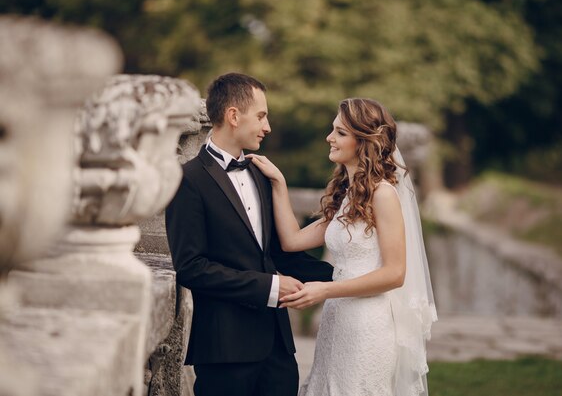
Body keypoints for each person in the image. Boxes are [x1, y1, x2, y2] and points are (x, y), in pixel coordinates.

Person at [249, 97, 438, 396]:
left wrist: (324, 290)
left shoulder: (383, 195)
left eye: (340, 132)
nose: (329, 138)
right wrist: (279, 184)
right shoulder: (350, 195)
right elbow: (292, 241)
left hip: (368, 325)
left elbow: (394, 274)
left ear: (364, 142)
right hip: (338, 320)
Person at [165, 72, 334, 396]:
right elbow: (191, 267)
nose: (267, 126)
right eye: (261, 115)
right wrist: (270, 286)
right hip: (225, 351)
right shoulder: (188, 180)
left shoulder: (261, 173)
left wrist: (345, 276)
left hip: (278, 349)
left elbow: (278, 254)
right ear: (233, 115)